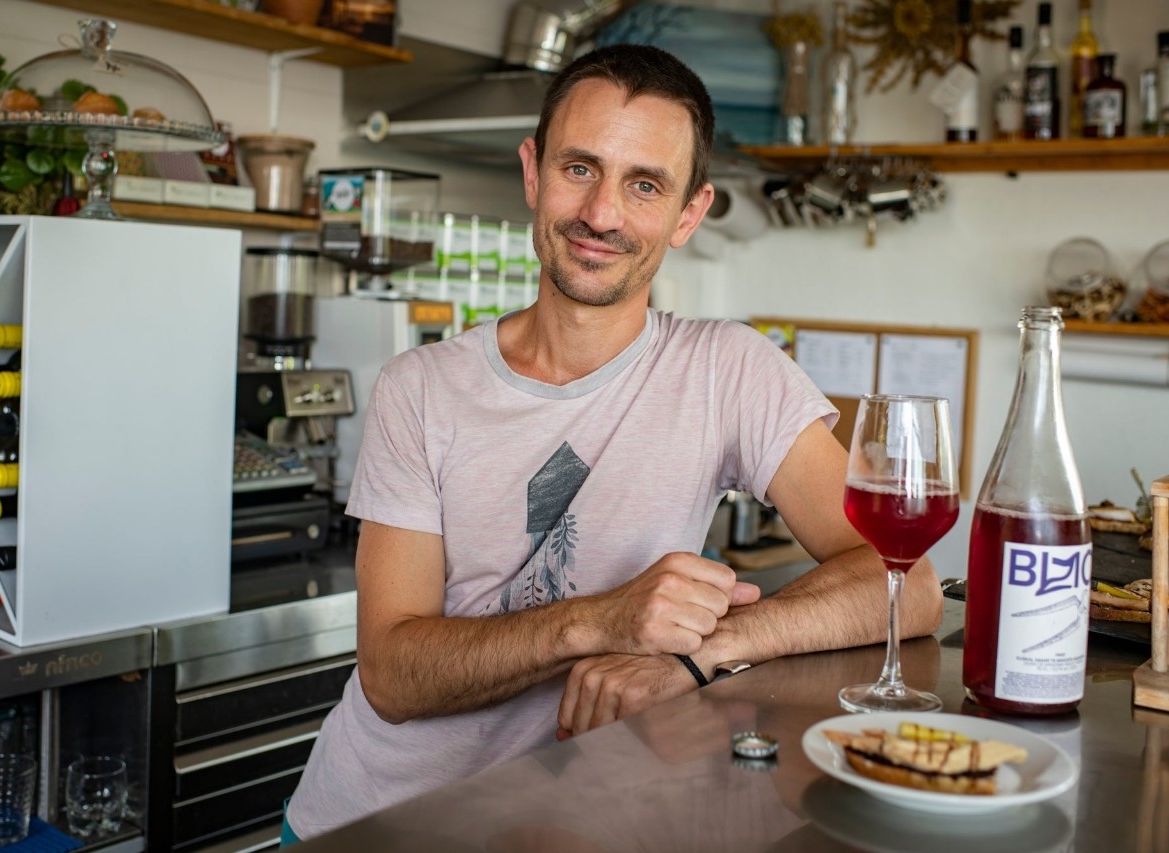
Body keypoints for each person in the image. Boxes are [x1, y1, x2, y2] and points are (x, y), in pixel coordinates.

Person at [284, 42, 943, 841]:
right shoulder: (419, 388)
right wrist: (602, 621)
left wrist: (696, 653)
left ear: (687, 214)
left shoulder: (728, 368)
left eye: (643, 185)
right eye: (579, 169)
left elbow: (907, 585)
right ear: (532, 172)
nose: (601, 214)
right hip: (375, 825)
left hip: (580, 822)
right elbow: (391, 674)